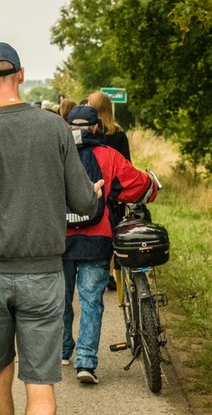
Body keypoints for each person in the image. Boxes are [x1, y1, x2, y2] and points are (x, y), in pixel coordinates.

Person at [0, 41, 104, 415]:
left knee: (0, 373)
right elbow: (83, 203)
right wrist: (92, 193)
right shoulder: (54, 128)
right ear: (21, 75)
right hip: (44, 274)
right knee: (40, 382)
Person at [62, 105, 159, 384]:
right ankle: (86, 362)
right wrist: (153, 183)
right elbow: (136, 185)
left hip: (61, 239)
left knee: (61, 300)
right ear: (96, 127)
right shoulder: (108, 155)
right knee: (92, 301)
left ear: (67, 126)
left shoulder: (56, 154)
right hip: (97, 237)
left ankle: (64, 349)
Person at [88, 90, 132, 290]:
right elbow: (127, 164)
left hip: (95, 188)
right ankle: (115, 272)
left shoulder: (90, 134)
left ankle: (102, 270)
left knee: (97, 226)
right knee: (115, 228)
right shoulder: (119, 134)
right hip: (114, 190)